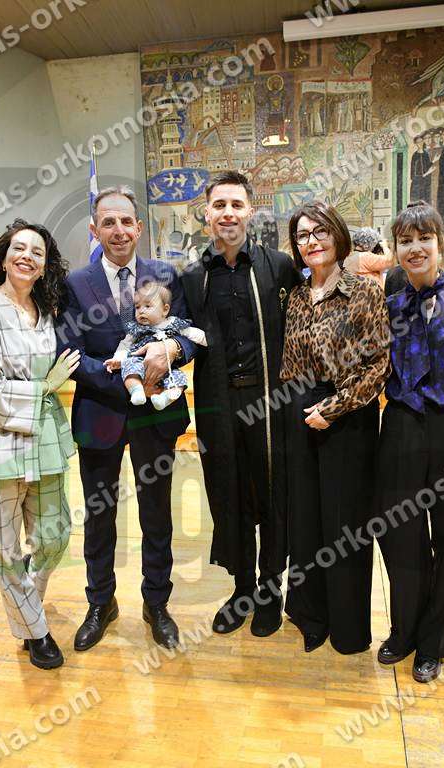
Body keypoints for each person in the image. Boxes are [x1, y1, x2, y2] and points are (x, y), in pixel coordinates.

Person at [55, 186, 196, 651]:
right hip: (100, 413)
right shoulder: (76, 284)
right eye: (108, 223)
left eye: (125, 222)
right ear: (95, 230)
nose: (118, 230)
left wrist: (170, 350)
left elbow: (190, 335)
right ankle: (100, 602)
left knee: (157, 512)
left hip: (156, 416)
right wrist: (125, 381)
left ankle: (157, 603)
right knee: (99, 516)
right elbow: (68, 351)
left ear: (139, 227)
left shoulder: (165, 275)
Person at [181, 170, 303, 638]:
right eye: (220, 205)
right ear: (206, 213)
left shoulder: (278, 267)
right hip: (218, 402)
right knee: (228, 493)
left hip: (271, 400)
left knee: (272, 492)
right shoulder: (194, 278)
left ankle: (271, 591)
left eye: (236, 204)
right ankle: (242, 589)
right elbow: (182, 337)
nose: (228, 213)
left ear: (250, 210)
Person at [376, 201, 444, 683]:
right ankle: (404, 630)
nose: (415, 248)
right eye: (406, 240)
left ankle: (434, 642)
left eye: (425, 238)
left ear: (441, 244)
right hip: (402, 424)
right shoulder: (391, 307)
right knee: (399, 535)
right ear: (396, 250)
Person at [280, 201, 390, 654]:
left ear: (337, 235)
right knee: (306, 520)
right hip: (301, 413)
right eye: (303, 235)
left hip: (349, 417)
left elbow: (378, 363)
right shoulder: (296, 296)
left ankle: (347, 628)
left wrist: (335, 406)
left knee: (346, 527)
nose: (312, 241)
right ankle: (311, 615)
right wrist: (297, 410)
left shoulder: (364, 291)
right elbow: (290, 363)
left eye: (320, 231)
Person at [0, 219, 79, 669]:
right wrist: (44, 388)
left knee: (55, 536)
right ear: (3, 258)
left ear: (44, 266)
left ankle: (26, 609)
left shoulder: (45, 309)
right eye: (18, 248)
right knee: (6, 551)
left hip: (46, 440)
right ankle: (37, 632)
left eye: (37, 252)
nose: (27, 257)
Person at [104, 281, 206, 409]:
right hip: (139, 361)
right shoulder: (136, 328)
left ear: (165, 309)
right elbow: (125, 344)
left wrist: (209, 340)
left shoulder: (173, 323)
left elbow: (191, 333)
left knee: (179, 378)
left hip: (167, 366)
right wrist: (118, 359)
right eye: (137, 307)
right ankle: (136, 391)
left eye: (148, 306)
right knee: (129, 368)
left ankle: (165, 399)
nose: (141, 311)